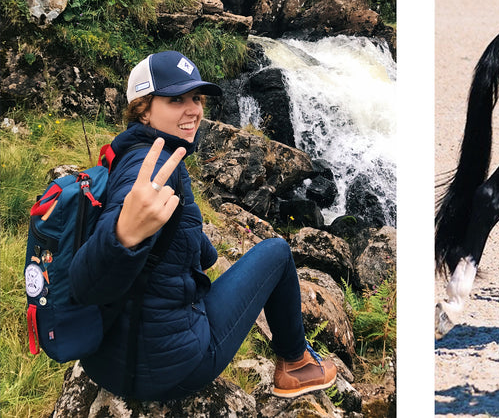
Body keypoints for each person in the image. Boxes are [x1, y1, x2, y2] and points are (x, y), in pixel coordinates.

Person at [70, 51, 337, 401]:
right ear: (144, 109)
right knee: (277, 252)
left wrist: (194, 246)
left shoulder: (140, 152)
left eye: (196, 98)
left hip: (106, 363)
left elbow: (186, 243)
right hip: (170, 372)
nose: (194, 109)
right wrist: (123, 236)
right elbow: (85, 285)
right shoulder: (147, 168)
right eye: (176, 99)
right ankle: (296, 364)